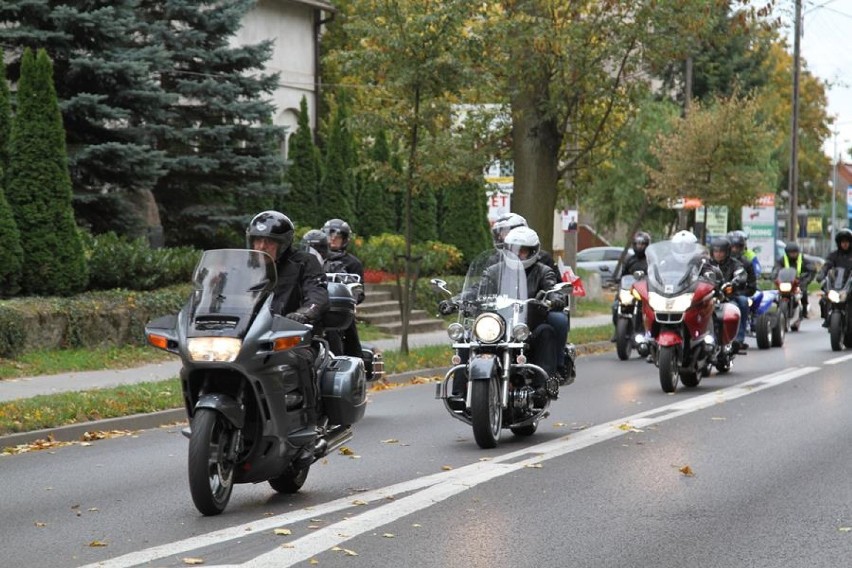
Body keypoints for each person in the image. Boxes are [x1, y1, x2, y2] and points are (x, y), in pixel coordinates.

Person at [246, 211, 329, 431]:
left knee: (299, 359)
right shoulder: (245, 267)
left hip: (291, 337)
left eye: (269, 242)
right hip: (249, 337)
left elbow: (317, 293)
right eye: (258, 240)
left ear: (282, 244)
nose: (262, 246)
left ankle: (309, 425)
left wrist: (305, 313)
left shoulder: (305, 262)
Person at [321, 219, 366, 358]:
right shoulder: (316, 259)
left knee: (350, 333)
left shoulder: (352, 263)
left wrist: (348, 293)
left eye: (338, 237)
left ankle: (355, 366)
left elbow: (360, 292)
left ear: (345, 240)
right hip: (318, 306)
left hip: (340, 310)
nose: (333, 240)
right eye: (330, 236)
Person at [708, 236, 749, 352]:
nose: (718, 254)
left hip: (728, 296)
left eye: (721, 251)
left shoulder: (734, 264)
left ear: (727, 252)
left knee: (742, 302)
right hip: (708, 296)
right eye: (716, 251)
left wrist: (736, 281)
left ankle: (738, 339)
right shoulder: (706, 264)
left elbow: (741, 274)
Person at [611, 231, 650, 339]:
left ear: (646, 245)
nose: (639, 246)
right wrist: (617, 280)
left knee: (648, 309)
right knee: (615, 306)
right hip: (630, 290)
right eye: (637, 244)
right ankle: (618, 331)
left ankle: (646, 333)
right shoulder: (630, 260)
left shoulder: (650, 260)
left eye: (642, 244)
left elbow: (655, 275)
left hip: (645, 291)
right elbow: (623, 274)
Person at [817, 228, 852, 326]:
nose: (845, 244)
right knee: (824, 300)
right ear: (839, 243)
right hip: (838, 285)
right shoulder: (834, 255)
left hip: (850, 285)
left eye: (847, 241)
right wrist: (821, 275)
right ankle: (828, 318)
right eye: (842, 242)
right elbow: (827, 266)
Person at [776, 242, 815, 318]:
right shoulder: (782, 260)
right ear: (787, 253)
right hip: (786, 282)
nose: (793, 254)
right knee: (778, 294)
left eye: (795, 252)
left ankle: (804, 310)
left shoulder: (803, 260)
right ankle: (779, 309)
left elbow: (811, 269)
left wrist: (806, 279)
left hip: (799, 282)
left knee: (803, 292)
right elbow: (776, 268)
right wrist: (774, 275)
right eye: (791, 253)